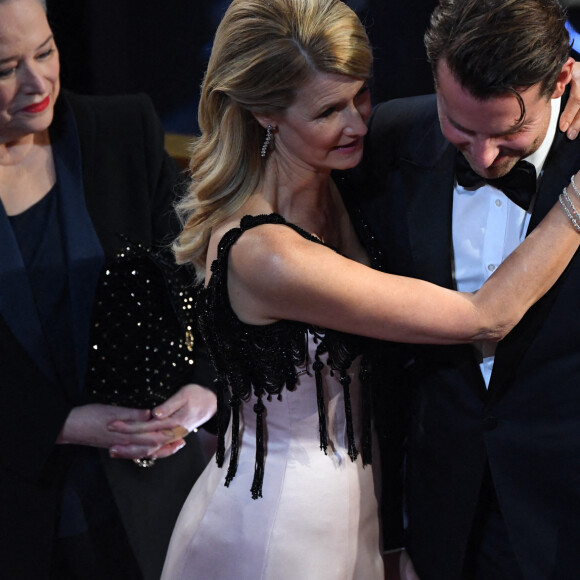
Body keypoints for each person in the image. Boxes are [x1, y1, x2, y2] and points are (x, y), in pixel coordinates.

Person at [159, 0, 580, 578]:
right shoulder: (269, 251)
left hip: (380, 510)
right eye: (330, 110)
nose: (357, 122)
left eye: (360, 96)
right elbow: (485, 316)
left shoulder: (346, 170)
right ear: (265, 114)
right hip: (285, 524)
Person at [345, 0, 580, 577]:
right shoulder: (388, 142)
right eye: (459, 126)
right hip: (444, 518)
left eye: (507, 132)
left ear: (563, 79)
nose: (483, 156)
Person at [0, 0, 217, 578]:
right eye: (5, 68)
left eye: (45, 51)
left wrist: (202, 387)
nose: (36, 80)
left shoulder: (122, 131)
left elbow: (191, 280)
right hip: (19, 509)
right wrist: (63, 425)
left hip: (149, 495)